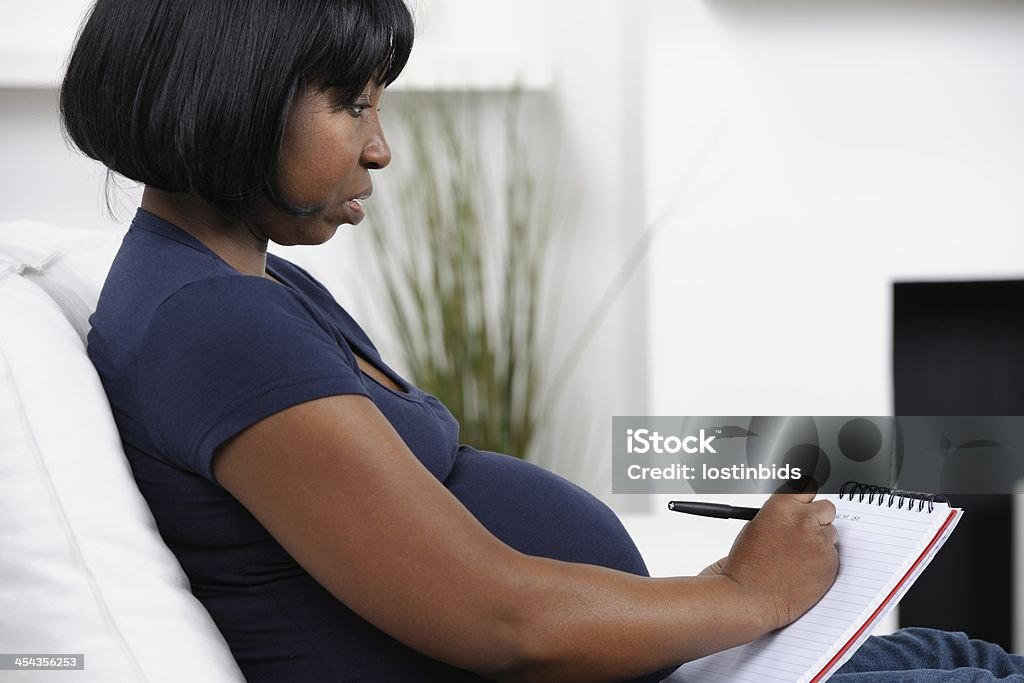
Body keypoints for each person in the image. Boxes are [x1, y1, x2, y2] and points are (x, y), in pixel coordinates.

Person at [62, 1, 1024, 681]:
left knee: (973, 655)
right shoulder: (210, 324)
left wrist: (701, 606)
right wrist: (747, 591)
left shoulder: (247, 284)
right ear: (230, 94)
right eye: (352, 103)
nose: (379, 148)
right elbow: (500, 618)